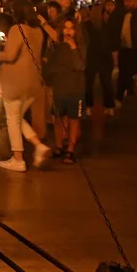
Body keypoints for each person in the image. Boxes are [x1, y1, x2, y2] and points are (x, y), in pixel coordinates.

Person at [0, 0, 49, 172]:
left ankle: (18, 159)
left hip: (14, 81)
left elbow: (10, 55)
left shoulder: (17, 29)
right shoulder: (38, 31)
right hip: (33, 82)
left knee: (12, 118)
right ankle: (38, 146)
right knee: (17, 117)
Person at [46, 17, 86, 163]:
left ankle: (70, 149)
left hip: (76, 88)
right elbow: (50, 66)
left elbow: (80, 66)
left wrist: (73, 47)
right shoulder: (56, 46)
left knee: (74, 119)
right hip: (60, 88)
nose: (68, 31)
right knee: (58, 118)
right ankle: (58, 146)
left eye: (71, 28)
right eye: (66, 28)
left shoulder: (81, 47)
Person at [110, 0, 137, 112]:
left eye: (129, 1)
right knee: (123, 74)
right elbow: (115, 30)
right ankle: (119, 98)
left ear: (136, 0)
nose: (126, 3)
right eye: (125, 1)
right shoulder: (122, 13)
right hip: (124, 48)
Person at [84, 0, 116, 116]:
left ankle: (90, 106)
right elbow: (114, 45)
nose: (107, 15)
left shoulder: (88, 26)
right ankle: (107, 106)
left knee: (93, 83)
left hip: (95, 58)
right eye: (105, 13)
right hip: (100, 58)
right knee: (102, 83)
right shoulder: (104, 27)